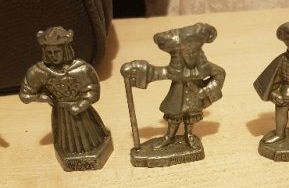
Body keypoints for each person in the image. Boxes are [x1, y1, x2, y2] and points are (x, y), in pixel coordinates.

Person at [121, 22, 226, 149]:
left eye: (194, 52)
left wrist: (205, 90)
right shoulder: (176, 69)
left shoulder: (206, 67)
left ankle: (189, 135)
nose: (190, 55)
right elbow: (160, 73)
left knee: (192, 116)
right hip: (177, 96)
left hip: (195, 98)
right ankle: (169, 136)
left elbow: (220, 74)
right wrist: (143, 72)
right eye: (187, 52)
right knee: (174, 116)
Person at [20, 26, 112, 169]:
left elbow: (93, 91)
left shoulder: (81, 69)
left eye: (57, 52)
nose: (53, 56)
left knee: (91, 138)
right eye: (49, 53)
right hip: (61, 113)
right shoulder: (39, 71)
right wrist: (44, 97)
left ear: (65, 50)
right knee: (66, 140)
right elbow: (25, 95)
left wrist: (79, 105)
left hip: (83, 113)